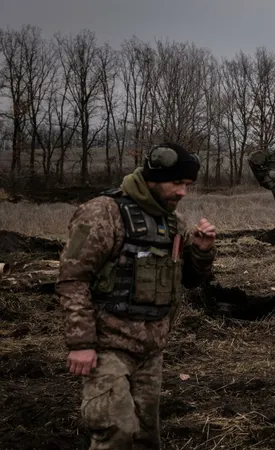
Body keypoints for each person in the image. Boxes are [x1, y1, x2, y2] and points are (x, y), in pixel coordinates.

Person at [56, 142, 217, 449]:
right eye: (177, 183)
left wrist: (202, 250)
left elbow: (189, 280)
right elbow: (72, 279)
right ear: (153, 177)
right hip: (108, 345)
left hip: (152, 348)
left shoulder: (171, 222)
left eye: (188, 185)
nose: (183, 192)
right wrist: (81, 343)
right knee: (116, 433)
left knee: (146, 437)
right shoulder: (103, 213)